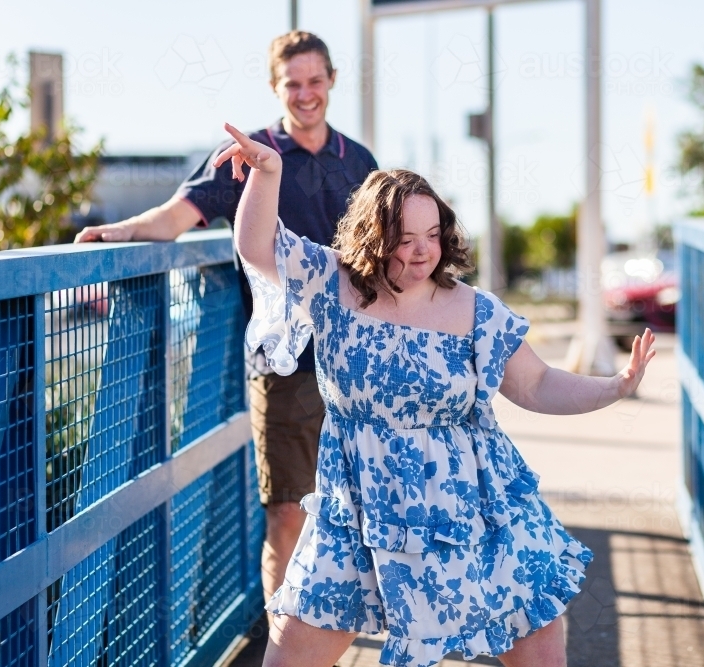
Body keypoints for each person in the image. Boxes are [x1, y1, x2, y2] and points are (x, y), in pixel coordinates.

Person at [216, 124, 656, 667]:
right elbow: (257, 249)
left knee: (539, 642)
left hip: (470, 506)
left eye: (433, 232)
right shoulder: (333, 283)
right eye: (405, 237)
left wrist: (615, 387)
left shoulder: (473, 309)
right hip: (357, 506)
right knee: (290, 653)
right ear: (374, 236)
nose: (424, 249)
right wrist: (268, 173)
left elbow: (536, 383)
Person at [74, 31, 378, 609]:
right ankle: (284, 642)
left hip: (356, 362)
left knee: (353, 517)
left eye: (316, 81)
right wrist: (117, 232)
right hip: (285, 363)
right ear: (275, 87)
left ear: (332, 81)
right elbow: (174, 218)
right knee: (287, 514)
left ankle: (333, 630)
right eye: (294, 83)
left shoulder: (359, 162)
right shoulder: (248, 153)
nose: (306, 94)